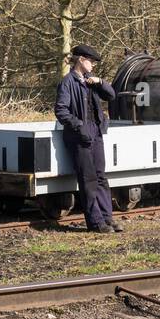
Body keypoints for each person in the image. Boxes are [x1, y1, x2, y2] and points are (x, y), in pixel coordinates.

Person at [53, 44, 121, 233]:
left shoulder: (90, 82)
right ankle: (96, 222)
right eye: (91, 61)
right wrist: (78, 125)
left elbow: (111, 95)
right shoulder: (67, 83)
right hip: (80, 135)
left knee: (101, 177)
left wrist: (99, 82)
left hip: (96, 133)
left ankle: (107, 218)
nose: (93, 65)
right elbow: (61, 110)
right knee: (88, 180)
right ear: (81, 60)